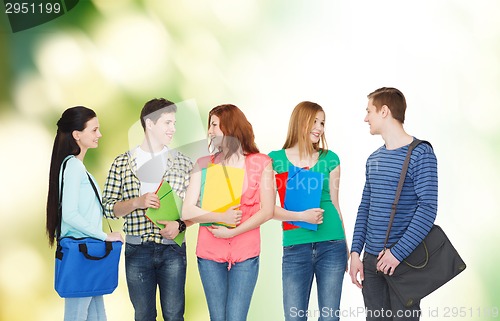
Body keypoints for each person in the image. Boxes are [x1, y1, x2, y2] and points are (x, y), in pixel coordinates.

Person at [349, 87, 438, 321]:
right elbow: (365, 207)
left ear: (384, 111)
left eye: (369, 111)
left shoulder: (421, 154)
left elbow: (428, 208)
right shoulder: (374, 159)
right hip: (370, 263)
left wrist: (397, 254)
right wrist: (356, 252)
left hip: (403, 262)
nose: (365, 118)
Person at [102, 98, 193, 321]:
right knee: (143, 315)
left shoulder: (183, 163)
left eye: (174, 123)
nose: (173, 129)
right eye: (167, 123)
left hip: (172, 249)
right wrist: (137, 202)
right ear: (149, 124)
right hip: (137, 250)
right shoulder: (122, 163)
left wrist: (180, 225)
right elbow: (108, 208)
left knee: (174, 315)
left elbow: (197, 208)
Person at [182, 104, 275, 321]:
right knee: (218, 317)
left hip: (246, 252)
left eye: (214, 125)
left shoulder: (261, 163)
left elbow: (268, 210)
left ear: (230, 127)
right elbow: (187, 210)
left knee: (235, 318)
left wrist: (233, 232)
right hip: (209, 252)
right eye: (210, 126)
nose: (210, 131)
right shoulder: (203, 164)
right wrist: (220, 218)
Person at [268, 101, 348, 321]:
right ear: (299, 122)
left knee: (330, 317)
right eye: (314, 121)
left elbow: (335, 204)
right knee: (294, 317)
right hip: (295, 246)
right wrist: (301, 217)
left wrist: (346, 249)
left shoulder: (330, 159)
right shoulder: (275, 160)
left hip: (332, 244)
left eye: (322, 122)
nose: (319, 127)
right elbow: (267, 209)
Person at [46, 106, 124, 321]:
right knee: (77, 315)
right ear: (77, 135)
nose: (99, 134)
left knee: (98, 315)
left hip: (88, 253)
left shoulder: (77, 167)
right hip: (82, 252)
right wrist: (105, 236)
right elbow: (70, 215)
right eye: (94, 130)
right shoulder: (73, 167)